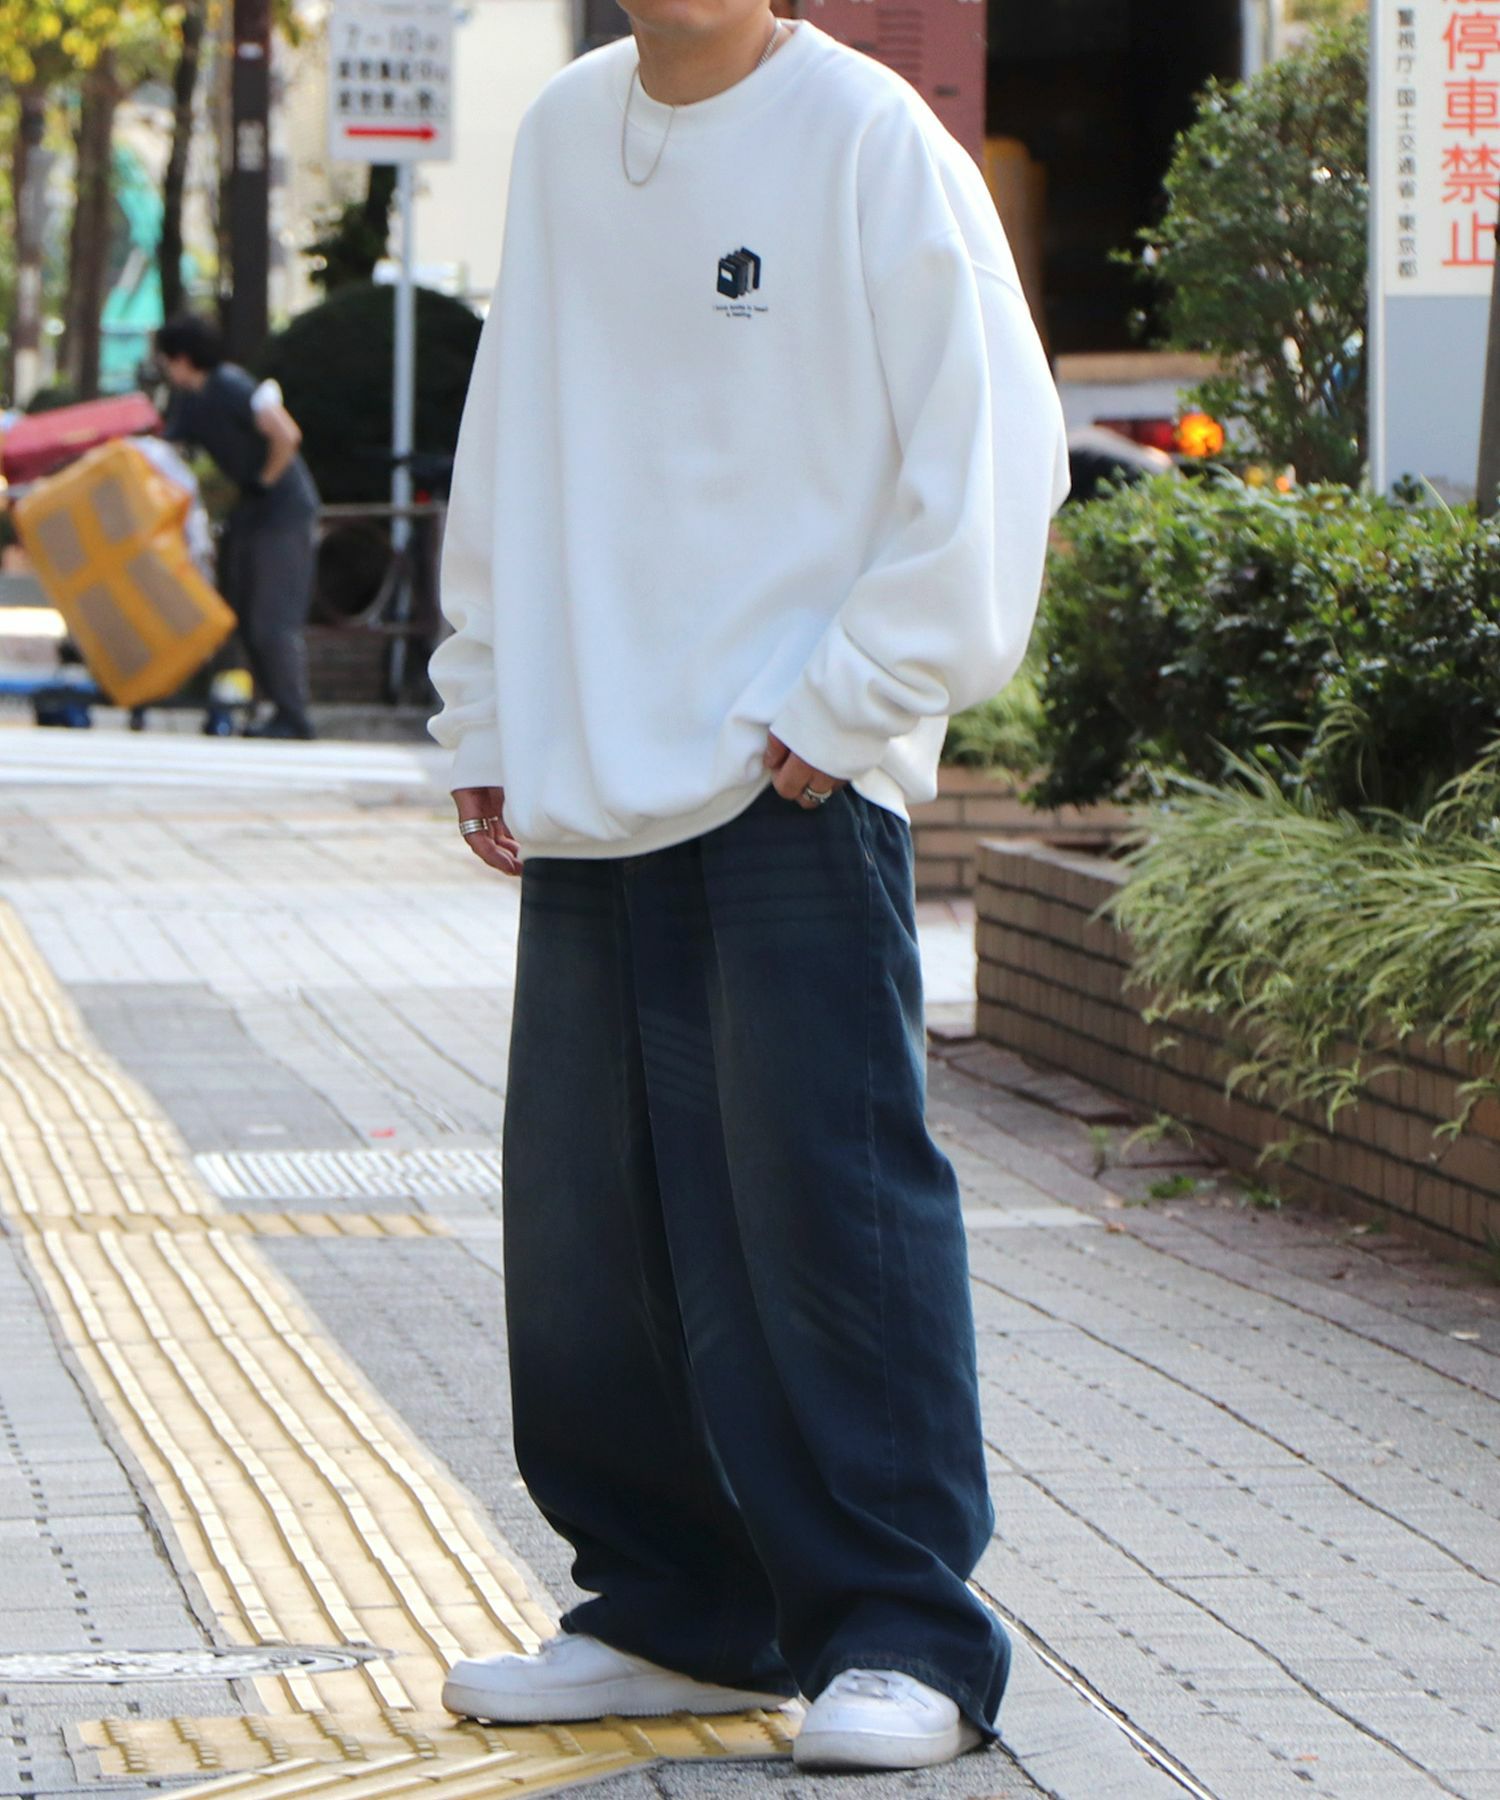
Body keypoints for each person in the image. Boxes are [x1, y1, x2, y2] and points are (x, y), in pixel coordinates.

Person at [427, 0, 1069, 1772]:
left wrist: (852, 698)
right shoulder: (565, 135)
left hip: (792, 777)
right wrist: (487, 701)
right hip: (593, 771)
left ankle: (908, 1635)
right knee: (595, 1238)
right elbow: (512, 430)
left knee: (824, 1217)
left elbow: (993, 442)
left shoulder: (867, 136)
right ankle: (676, 1611)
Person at [155, 314, 319, 739]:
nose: (164, 369)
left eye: (166, 360)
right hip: (251, 511)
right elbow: (167, 449)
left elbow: (286, 434)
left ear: (182, 359)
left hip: (283, 510)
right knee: (244, 616)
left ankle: (294, 716)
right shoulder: (191, 401)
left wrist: (264, 481)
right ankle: (273, 711)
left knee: (271, 618)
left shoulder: (231, 386)